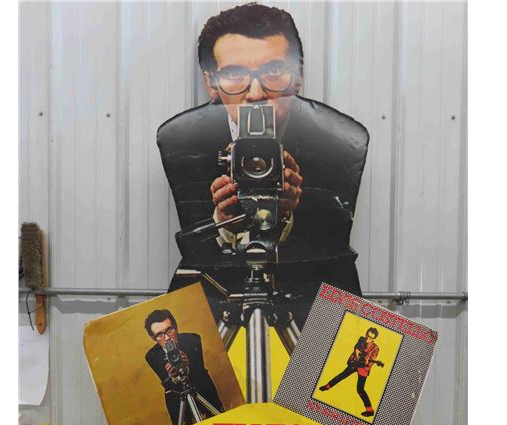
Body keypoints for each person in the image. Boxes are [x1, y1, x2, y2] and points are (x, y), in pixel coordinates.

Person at [157, 2, 369, 328]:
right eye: (234, 75)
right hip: (216, 306)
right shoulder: (181, 141)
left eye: (273, 72)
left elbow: (332, 250)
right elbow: (195, 248)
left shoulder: (340, 139)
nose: (255, 93)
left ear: (298, 76)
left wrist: (290, 215)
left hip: (316, 309)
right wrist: (224, 222)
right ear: (211, 82)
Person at [144, 309, 223, 425]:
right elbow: (168, 384)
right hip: (178, 400)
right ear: (153, 338)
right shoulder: (152, 356)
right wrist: (172, 376)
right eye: (160, 335)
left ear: (176, 327)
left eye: (169, 330)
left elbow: (199, 372)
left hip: (203, 391)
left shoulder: (193, 339)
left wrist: (187, 365)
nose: (167, 338)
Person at [319, 327, 383, 417]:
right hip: (355, 362)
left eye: (371, 337)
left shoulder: (375, 348)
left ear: (374, 338)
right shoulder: (362, 339)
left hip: (363, 368)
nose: (368, 338)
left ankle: (370, 410)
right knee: (342, 375)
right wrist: (357, 356)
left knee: (360, 389)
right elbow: (356, 349)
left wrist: (367, 361)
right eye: (367, 335)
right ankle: (327, 386)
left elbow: (371, 361)